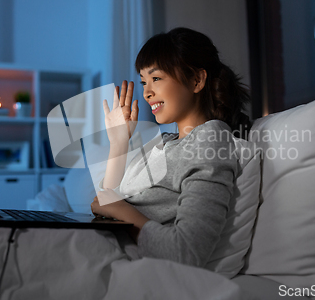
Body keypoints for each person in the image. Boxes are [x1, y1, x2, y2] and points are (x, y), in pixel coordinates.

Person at [90, 27, 250, 269]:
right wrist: (119, 142)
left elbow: (185, 252)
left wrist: (119, 210)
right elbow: (109, 199)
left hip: (122, 260)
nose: (146, 92)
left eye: (156, 78)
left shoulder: (211, 140)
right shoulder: (166, 142)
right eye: (143, 81)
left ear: (196, 80)